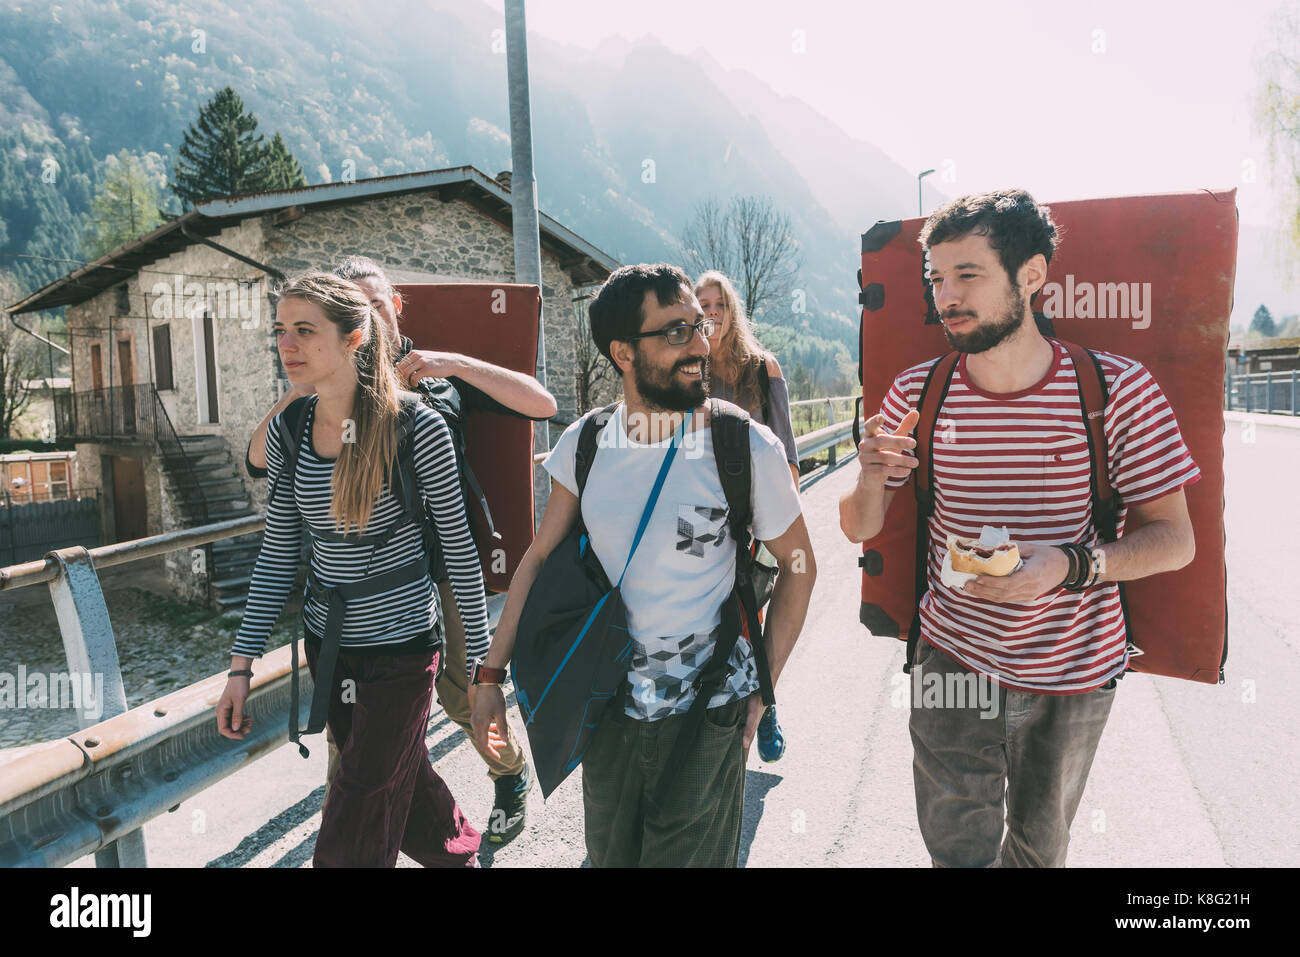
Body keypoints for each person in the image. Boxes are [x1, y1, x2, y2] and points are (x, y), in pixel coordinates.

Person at [839, 190, 1199, 868]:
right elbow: (861, 525)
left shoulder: (1118, 390)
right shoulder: (918, 393)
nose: (946, 296)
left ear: (1031, 275)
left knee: (1038, 853)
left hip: (1075, 669)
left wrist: (1069, 564)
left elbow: (1174, 539)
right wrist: (867, 476)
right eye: (936, 279)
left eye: (967, 275)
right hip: (952, 657)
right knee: (957, 851)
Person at [471, 263, 817, 867]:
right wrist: (489, 678)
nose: (699, 344)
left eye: (700, 325)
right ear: (623, 352)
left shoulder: (743, 445)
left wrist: (766, 684)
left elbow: (800, 566)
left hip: (710, 709)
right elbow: (538, 558)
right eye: (675, 331)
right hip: (606, 710)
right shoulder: (584, 445)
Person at [245, 256, 555, 844]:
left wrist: (455, 362)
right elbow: (260, 459)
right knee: (356, 739)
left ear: (396, 307)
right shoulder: (321, 393)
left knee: (464, 701)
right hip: (355, 597)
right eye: (356, 304)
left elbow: (542, 404)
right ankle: (357, 834)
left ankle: (508, 771)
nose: (372, 317)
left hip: (439, 575)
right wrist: (300, 388)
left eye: (378, 303)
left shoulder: (433, 379)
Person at [216, 272, 487, 867]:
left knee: (361, 794)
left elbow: (459, 550)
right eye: (281, 330)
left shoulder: (419, 426)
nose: (287, 345)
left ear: (354, 337)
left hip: (404, 647)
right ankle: (460, 858)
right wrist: (241, 664)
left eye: (305, 330)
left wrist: (484, 665)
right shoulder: (290, 428)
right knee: (401, 779)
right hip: (330, 643)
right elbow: (280, 553)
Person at [695, 270, 800, 764]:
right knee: (718, 615)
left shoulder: (763, 369)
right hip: (702, 516)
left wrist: (781, 525)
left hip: (759, 514)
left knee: (754, 609)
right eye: (702, 304)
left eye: (718, 303)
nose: (711, 311)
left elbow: (789, 456)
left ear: (732, 310)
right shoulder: (689, 370)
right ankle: (715, 709)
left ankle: (769, 702)